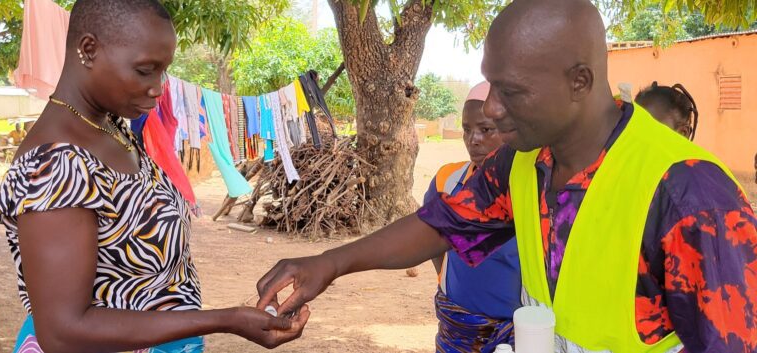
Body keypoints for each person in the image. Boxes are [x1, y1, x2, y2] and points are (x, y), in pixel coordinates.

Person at [256, 0, 757, 352]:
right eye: (491, 82)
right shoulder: (526, 161)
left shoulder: (691, 194)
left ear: (579, 82)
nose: (490, 109)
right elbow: (442, 223)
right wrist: (329, 262)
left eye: (510, 90)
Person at [0, 1, 308, 352]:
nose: (158, 88)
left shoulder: (109, 128)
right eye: (145, 70)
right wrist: (226, 319)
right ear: (88, 49)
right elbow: (63, 331)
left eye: (163, 71)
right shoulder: (54, 165)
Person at [425, 82, 520, 352]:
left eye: (486, 130)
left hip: (513, 332)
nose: (473, 139)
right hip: (457, 328)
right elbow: (433, 243)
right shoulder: (447, 181)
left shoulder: (529, 189)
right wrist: (447, 282)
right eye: (467, 129)